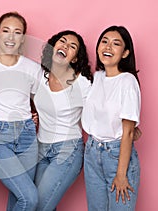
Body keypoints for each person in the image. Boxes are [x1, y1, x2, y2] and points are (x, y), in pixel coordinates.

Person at [0, 12, 41, 211]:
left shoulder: (32, 68)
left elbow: (43, 102)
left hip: (28, 136)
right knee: (30, 198)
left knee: (19, 198)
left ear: (23, 39)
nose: (11, 37)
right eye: (6, 31)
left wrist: (35, 118)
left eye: (17, 32)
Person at [82, 26, 141, 211]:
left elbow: (129, 131)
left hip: (116, 156)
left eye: (116, 44)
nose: (108, 47)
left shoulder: (127, 81)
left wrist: (121, 174)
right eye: (104, 41)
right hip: (91, 152)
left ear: (125, 53)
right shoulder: (97, 77)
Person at [33, 30, 93, 211]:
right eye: (63, 42)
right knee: (39, 203)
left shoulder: (82, 83)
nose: (65, 46)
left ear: (74, 59)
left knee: (40, 206)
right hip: (40, 149)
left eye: (72, 46)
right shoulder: (39, 76)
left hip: (67, 150)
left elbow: (98, 113)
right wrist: (31, 116)